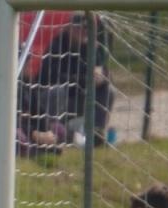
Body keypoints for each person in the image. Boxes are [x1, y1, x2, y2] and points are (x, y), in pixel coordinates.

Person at [35, 12, 113, 146]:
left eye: (88, 28)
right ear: (70, 28)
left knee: (108, 90)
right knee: (57, 91)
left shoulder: (92, 47)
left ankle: (95, 132)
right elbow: (51, 77)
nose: (85, 32)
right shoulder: (57, 45)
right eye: (81, 28)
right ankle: (53, 131)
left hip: (79, 97)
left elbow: (103, 71)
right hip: (55, 98)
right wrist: (85, 80)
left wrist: (102, 76)